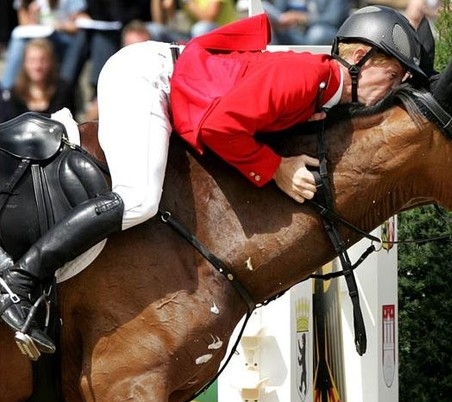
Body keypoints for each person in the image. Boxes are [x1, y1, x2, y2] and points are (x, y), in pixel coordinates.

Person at [0, 5, 427, 355]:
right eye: (390, 77)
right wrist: (275, 168)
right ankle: (21, 279)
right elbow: (221, 127)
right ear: (358, 58)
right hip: (148, 80)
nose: (389, 92)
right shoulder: (310, 77)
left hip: (166, 79)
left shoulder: (321, 86)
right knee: (139, 199)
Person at [1, 0, 86, 91]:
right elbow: (24, 23)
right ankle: (6, 89)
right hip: (37, 36)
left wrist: (61, 26)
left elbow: (80, 23)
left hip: (62, 38)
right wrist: (33, 17)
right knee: (19, 42)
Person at [1, 37, 75, 121]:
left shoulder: (63, 91)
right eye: (32, 60)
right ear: (25, 63)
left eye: (43, 60)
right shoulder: (14, 95)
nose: (37, 66)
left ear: (51, 62)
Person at [263, 0, 349, 45]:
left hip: (324, 29)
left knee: (317, 33)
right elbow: (280, 14)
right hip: (293, 30)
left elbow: (334, 18)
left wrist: (304, 18)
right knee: (269, 30)